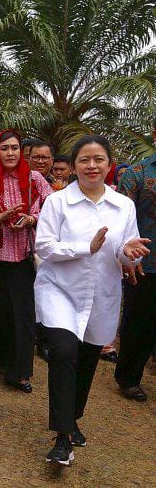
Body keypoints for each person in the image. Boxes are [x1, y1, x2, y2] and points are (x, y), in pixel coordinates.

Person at [34, 135, 149, 466]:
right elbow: (44, 247)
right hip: (60, 290)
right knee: (64, 352)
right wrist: (86, 247)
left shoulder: (123, 206)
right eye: (84, 160)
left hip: (101, 293)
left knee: (85, 361)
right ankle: (62, 437)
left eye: (99, 159)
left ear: (109, 164)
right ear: (73, 167)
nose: (92, 165)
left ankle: (73, 419)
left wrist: (128, 253)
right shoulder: (57, 203)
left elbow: (126, 252)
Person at [0, 130, 51, 393]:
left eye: (15, 148)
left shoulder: (34, 179)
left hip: (22, 256)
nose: (10, 153)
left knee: (22, 314)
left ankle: (18, 373)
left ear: (22, 151)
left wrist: (32, 218)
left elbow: (52, 207)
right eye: (4, 148)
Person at [114, 141, 156, 402]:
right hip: (144, 263)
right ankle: (129, 378)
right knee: (139, 323)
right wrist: (126, 259)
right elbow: (121, 220)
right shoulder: (137, 173)